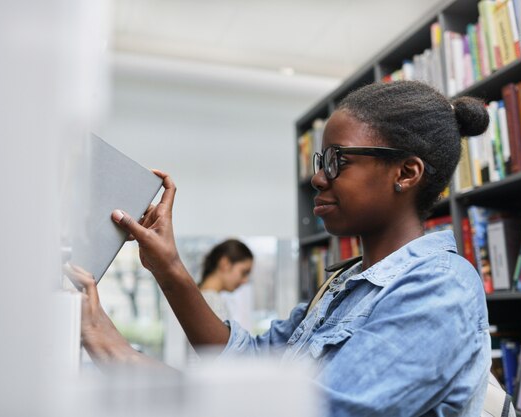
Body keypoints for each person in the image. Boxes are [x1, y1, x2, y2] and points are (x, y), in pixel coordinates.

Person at [66, 80, 492, 416]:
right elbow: (248, 364)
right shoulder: (344, 284)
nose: (318, 179)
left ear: (406, 172)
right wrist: (169, 267)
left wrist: (118, 353)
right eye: (318, 162)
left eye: (336, 162)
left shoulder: (441, 288)